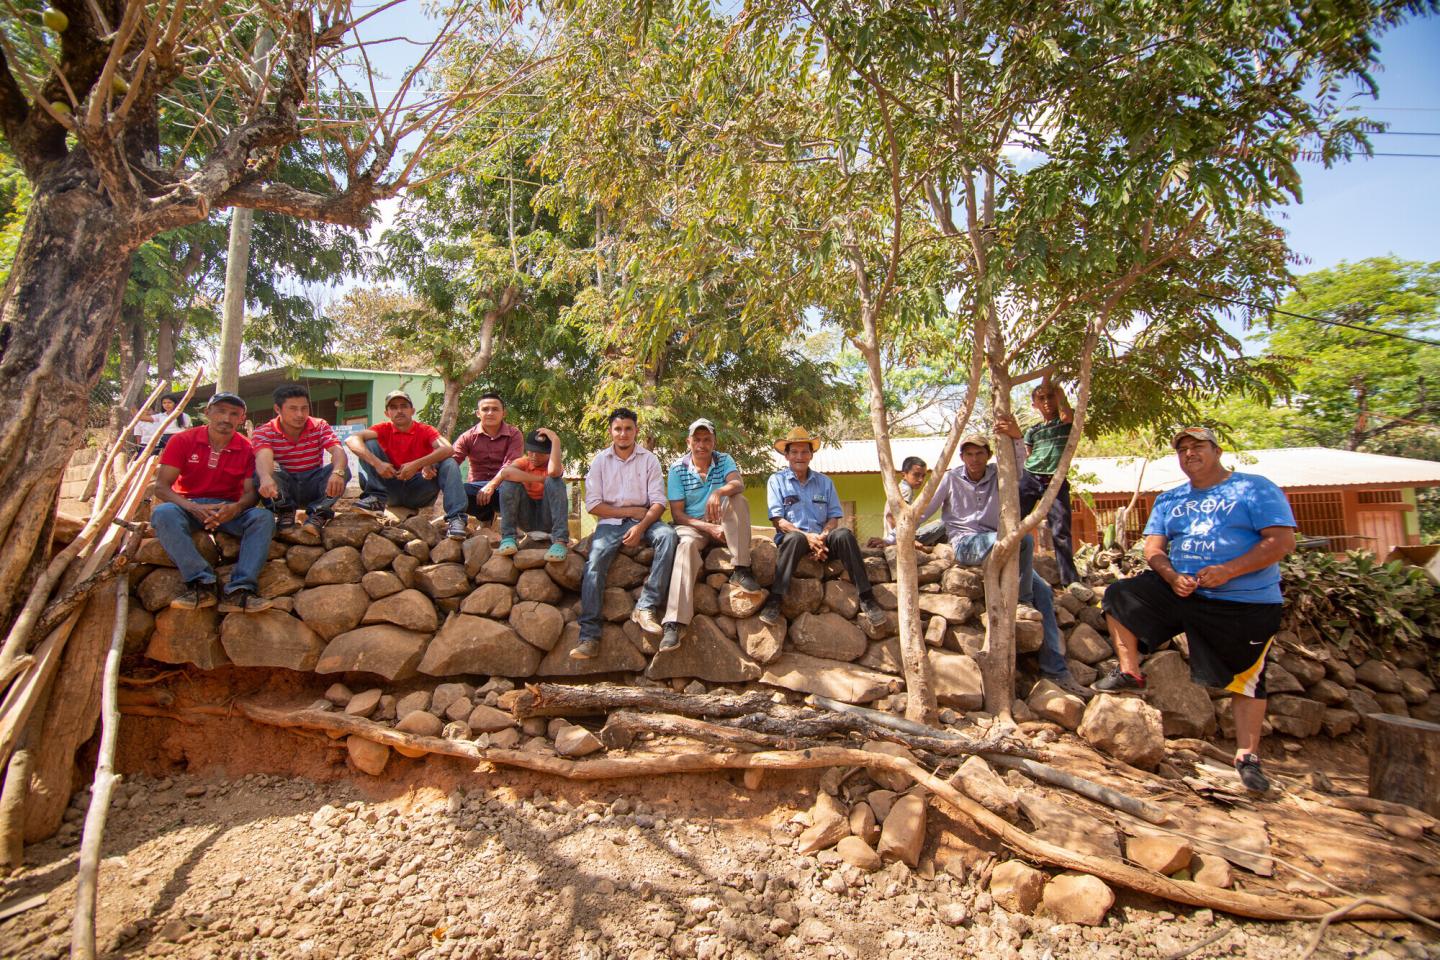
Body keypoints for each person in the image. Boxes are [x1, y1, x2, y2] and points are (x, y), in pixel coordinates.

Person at [1097, 427, 1296, 793]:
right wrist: (1171, 576)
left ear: (1217, 450)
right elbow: (1153, 549)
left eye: (1197, 446)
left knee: (1248, 677)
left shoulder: (1254, 488)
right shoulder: (1170, 499)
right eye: (1182, 449)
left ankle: (1247, 756)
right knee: (1121, 595)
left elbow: (1282, 542)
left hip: (1244, 601)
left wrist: (1228, 570)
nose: (1189, 453)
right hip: (1183, 590)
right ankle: (1130, 672)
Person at [915, 419, 1092, 700]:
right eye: (969, 454)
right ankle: (1021, 602)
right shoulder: (951, 478)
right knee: (1023, 540)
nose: (974, 459)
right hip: (968, 545)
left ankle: (1055, 671)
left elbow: (1023, 467)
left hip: (1001, 549)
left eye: (979, 453)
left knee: (1044, 592)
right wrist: (896, 533)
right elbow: (925, 509)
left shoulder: (999, 475)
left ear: (988, 455)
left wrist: (1017, 437)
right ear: (962, 456)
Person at [149, 392, 275, 612]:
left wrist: (235, 508)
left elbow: (250, 494)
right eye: (220, 411)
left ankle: (240, 590)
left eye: (234, 414)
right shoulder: (182, 440)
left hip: (227, 508)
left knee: (263, 518)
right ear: (207, 413)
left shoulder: (246, 448)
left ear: (241, 419)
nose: (226, 418)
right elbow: (161, 487)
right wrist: (192, 507)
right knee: (163, 514)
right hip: (186, 505)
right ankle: (201, 584)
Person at [574, 408, 678, 660]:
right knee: (595, 561)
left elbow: (658, 503)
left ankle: (646, 606)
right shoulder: (599, 461)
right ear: (610, 431)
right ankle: (589, 636)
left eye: (628, 428)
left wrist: (640, 527)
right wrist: (631, 510)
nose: (623, 434)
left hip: (645, 521)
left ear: (636, 431)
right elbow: (594, 505)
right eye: (618, 429)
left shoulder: (649, 460)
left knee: (668, 536)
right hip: (609, 523)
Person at [760, 428, 887, 628]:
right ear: (786, 455)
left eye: (804, 452)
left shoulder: (825, 483)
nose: (799, 457)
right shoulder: (776, 481)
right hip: (795, 540)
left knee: (844, 534)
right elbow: (779, 522)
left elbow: (833, 518)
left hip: (823, 540)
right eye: (794, 452)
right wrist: (807, 537)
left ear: (811, 454)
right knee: (794, 539)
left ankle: (867, 597)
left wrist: (823, 536)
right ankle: (775, 599)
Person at [660, 419, 763, 653]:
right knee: (685, 547)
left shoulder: (724, 459)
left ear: (714, 442)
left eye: (707, 439)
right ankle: (674, 624)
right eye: (697, 439)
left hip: (722, 521)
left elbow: (738, 483)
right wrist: (708, 529)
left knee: (738, 499)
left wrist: (718, 491)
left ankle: (741, 568)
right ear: (689, 442)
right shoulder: (677, 469)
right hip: (694, 526)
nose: (702, 445)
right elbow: (678, 515)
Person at [345, 390, 469, 540]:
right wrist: (378, 464)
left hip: (418, 490)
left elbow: (448, 449)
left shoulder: (425, 430)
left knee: (449, 462)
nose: (399, 411)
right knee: (367, 444)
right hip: (388, 488)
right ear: (387, 413)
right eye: (394, 407)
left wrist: (420, 464)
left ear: (412, 410)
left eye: (404, 406)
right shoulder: (382, 429)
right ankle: (375, 499)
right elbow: (351, 440)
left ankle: (456, 519)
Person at [252, 384, 348, 540]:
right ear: (278, 409)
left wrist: (338, 472)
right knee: (265, 470)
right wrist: (265, 477)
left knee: (341, 469)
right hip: (284, 488)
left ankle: (318, 514)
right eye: (293, 408)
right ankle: (285, 513)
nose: (300, 414)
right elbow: (263, 456)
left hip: (312, 485)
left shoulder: (320, 425)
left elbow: (338, 451)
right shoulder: (264, 431)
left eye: (304, 408)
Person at [1019, 379, 1079, 585]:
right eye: (1041, 398)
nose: (1046, 402)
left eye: (1050, 397)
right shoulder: (1033, 431)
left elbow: (1067, 414)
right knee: (1013, 520)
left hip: (1055, 480)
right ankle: (1012, 567)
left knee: (1061, 530)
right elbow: (1029, 455)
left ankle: (1069, 580)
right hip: (1030, 476)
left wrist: (1057, 390)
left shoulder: (1065, 423)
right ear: (1034, 404)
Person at [491, 427, 571, 562]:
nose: (534, 456)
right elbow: (506, 473)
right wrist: (539, 479)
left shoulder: (555, 465)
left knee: (555, 482)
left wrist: (555, 440)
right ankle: (509, 538)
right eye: (531, 451)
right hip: (527, 517)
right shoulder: (524, 462)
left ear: (549, 453)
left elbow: (553, 473)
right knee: (509, 483)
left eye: (540, 453)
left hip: (548, 518)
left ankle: (560, 540)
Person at [451, 393, 523, 529]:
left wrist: (492, 485)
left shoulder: (514, 434)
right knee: (457, 491)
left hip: (504, 487)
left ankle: (513, 529)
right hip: (477, 491)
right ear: (478, 413)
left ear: (504, 413)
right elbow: (452, 462)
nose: (490, 413)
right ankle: (484, 517)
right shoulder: (467, 437)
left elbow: (511, 465)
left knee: (515, 488)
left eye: (495, 409)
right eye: (485, 409)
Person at [877, 456, 947, 547]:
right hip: (900, 538)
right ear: (904, 475)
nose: (921, 479)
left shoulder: (901, 488)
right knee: (944, 523)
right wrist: (906, 539)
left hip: (900, 535)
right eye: (916, 475)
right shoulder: (906, 490)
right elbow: (892, 516)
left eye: (923, 476)